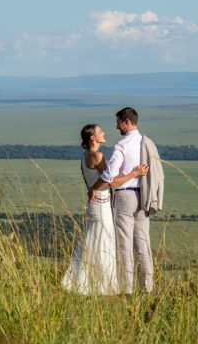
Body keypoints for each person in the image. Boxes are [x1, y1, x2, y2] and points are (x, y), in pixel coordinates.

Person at [61, 124, 148, 295]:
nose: (104, 133)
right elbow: (112, 181)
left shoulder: (84, 156)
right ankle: (102, 286)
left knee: (92, 241)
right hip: (101, 204)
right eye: (100, 131)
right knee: (104, 243)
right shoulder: (97, 155)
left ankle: (84, 282)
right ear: (92, 137)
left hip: (94, 204)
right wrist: (135, 173)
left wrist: (93, 187)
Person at [88, 107, 159, 294]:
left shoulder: (122, 145)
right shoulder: (148, 143)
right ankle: (147, 289)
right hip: (144, 195)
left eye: (118, 122)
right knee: (143, 243)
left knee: (125, 244)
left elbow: (110, 176)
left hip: (124, 196)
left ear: (126, 122)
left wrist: (94, 188)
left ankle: (127, 290)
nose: (116, 126)